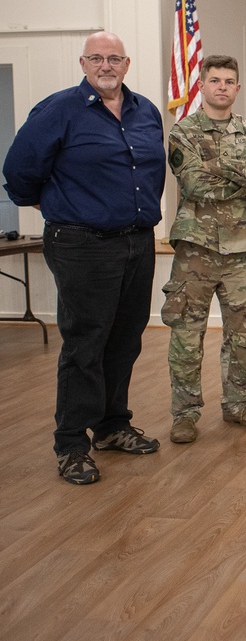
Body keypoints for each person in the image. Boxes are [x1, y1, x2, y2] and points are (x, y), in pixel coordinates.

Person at [2, 32, 165, 484]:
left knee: (125, 338)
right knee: (85, 343)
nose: (106, 65)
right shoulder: (59, 110)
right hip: (82, 242)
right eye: (97, 58)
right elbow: (19, 170)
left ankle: (112, 426)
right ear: (83, 63)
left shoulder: (145, 111)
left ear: (127, 64)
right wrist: (48, 203)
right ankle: (71, 443)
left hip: (137, 240)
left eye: (114, 58)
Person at [162, 55, 246, 443]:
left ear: (237, 87)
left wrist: (222, 168)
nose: (222, 87)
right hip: (195, 251)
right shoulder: (183, 132)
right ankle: (184, 413)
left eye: (229, 81)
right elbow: (195, 184)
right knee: (186, 335)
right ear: (202, 84)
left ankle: (237, 404)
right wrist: (245, 171)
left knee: (244, 336)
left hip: (241, 252)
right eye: (215, 80)